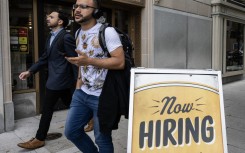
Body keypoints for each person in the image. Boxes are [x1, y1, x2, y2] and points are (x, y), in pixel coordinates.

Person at [64, 0, 125, 152]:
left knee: (102, 138)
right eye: (76, 6)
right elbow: (81, 63)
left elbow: (120, 62)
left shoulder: (107, 32)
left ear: (96, 11)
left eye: (84, 7)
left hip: (103, 96)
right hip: (82, 93)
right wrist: (78, 86)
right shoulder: (78, 32)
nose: (78, 10)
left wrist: (89, 60)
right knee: (71, 132)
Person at [17, 10, 78, 149]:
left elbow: (75, 61)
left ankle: (39, 138)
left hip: (60, 79)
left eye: (51, 17)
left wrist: (78, 82)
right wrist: (30, 71)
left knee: (47, 109)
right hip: (56, 79)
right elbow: (45, 58)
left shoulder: (66, 37)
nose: (47, 18)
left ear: (60, 21)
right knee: (71, 103)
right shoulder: (50, 37)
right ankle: (90, 118)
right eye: (48, 16)